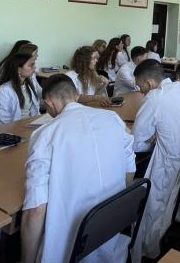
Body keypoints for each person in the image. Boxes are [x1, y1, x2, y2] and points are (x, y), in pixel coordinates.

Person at [21, 74, 136, 263]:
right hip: (111, 233)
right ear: (76, 95)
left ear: (49, 103)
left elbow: (35, 210)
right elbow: (129, 171)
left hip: (71, 245)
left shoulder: (45, 134)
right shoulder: (112, 118)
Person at [131, 59, 180, 261]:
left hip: (172, 167)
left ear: (149, 83)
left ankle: (149, 250)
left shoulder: (154, 98)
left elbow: (136, 144)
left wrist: (152, 139)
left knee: (150, 203)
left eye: (139, 86)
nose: (140, 91)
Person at [0, 52, 41, 126]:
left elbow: (34, 110)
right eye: (31, 65)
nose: (35, 67)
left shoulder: (28, 85)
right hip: (12, 129)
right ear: (18, 69)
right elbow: (3, 123)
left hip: (29, 125)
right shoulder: (3, 92)